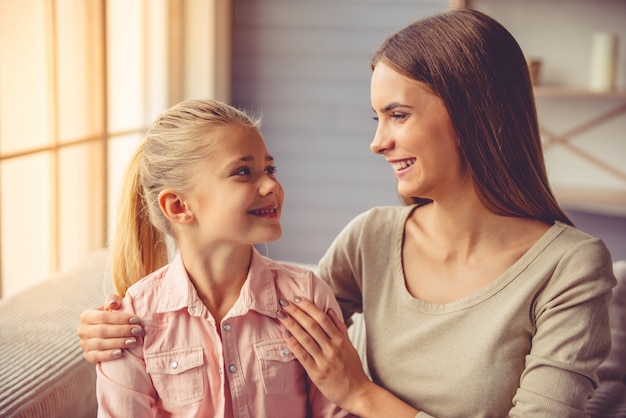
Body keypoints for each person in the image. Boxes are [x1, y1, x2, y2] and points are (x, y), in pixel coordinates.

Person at [78, 10, 617, 418]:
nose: (377, 143)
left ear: (474, 113)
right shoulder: (371, 239)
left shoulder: (569, 266)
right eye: (376, 117)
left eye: (397, 115)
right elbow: (259, 321)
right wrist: (111, 328)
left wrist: (361, 393)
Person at [91, 98, 351, 417]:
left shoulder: (307, 296)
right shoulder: (132, 319)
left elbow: (340, 409)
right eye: (243, 172)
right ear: (178, 207)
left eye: (269, 169)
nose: (271, 185)